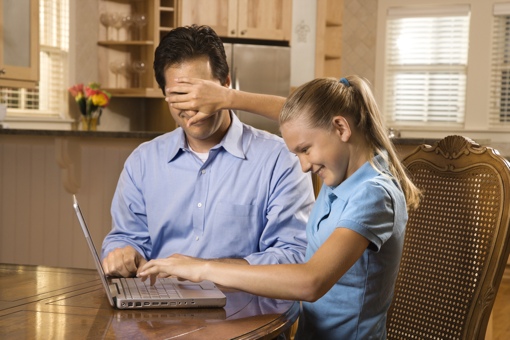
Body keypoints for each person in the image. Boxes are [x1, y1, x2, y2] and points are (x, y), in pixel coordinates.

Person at [138, 75, 422, 339]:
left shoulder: (373, 194)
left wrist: (202, 269)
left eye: (305, 149)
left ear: (341, 127)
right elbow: (303, 119)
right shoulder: (343, 171)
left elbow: (311, 282)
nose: (303, 165)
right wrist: (226, 97)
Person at [101, 25, 315, 277]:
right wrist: (123, 253)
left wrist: (204, 270)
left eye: (200, 94)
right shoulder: (143, 161)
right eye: (179, 95)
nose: (192, 107)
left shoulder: (280, 159)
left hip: (248, 310)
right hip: (159, 309)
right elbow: (126, 237)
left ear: (225, 85)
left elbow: (292, 254)